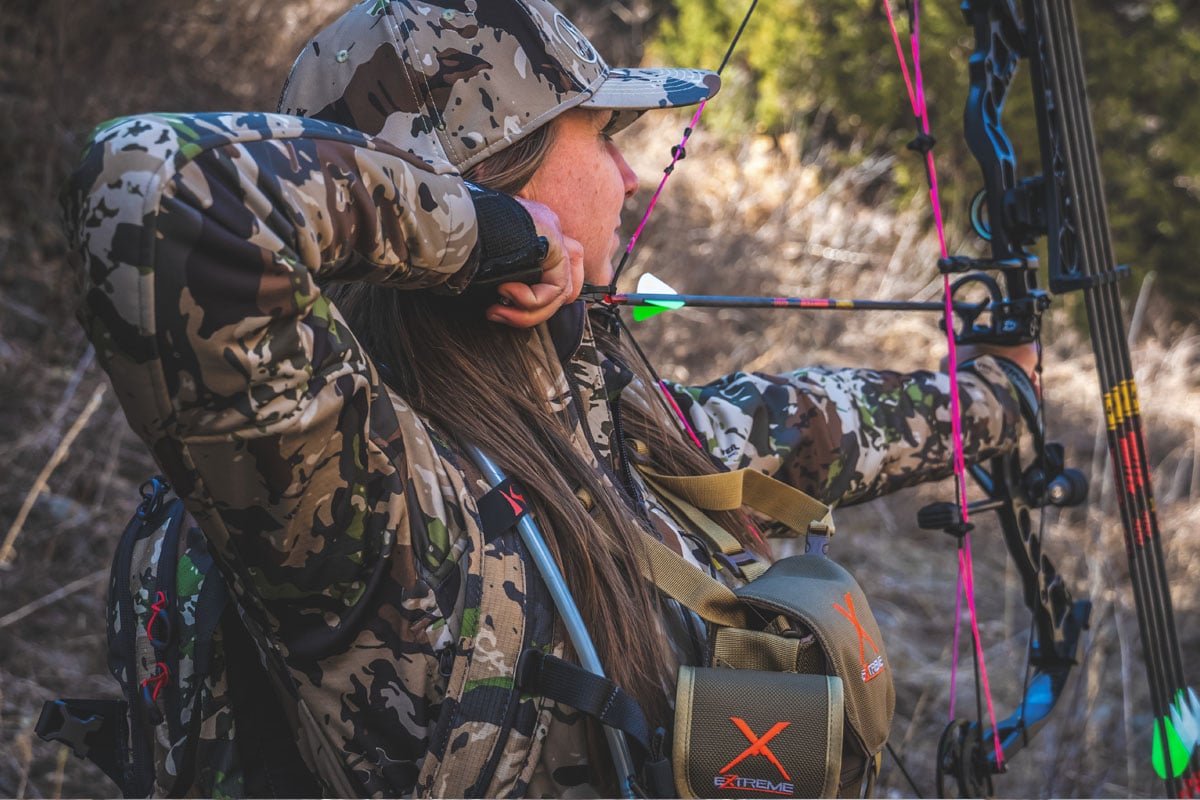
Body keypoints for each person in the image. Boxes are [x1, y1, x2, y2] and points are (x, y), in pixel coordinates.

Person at [64, 0, 1036, 796]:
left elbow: (779, 429)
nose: (626, 171)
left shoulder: (562, 378)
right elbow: (153, 191)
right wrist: (486, 239)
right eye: (602, 134)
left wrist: (997, 399)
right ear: (498, 174)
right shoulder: (364, 491)